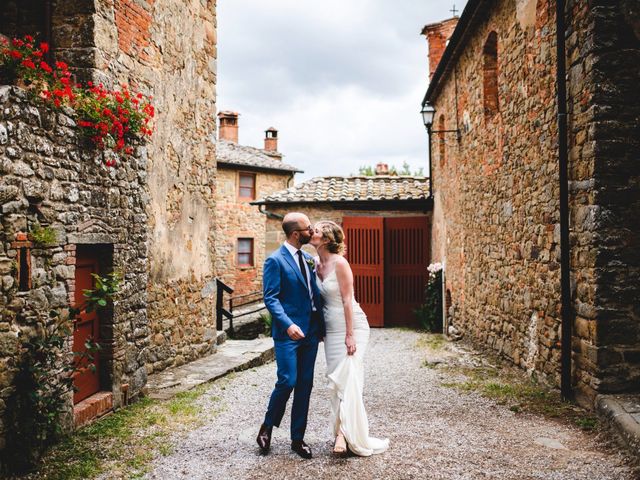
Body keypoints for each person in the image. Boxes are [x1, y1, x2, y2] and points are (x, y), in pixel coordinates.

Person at [310, 220, 389, 457]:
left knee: (351, 377)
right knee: (335, 381)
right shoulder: (314, 264)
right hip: (330, 329)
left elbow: (346, 299)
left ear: (326, 239)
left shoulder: (341, 264)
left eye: (316, 231)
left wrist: (350, 334)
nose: (311, 232)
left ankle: (344, 433)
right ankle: (339, 429)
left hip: (352, 326)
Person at [256, 212, 325, 459]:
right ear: (296, 234)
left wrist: (322, 329)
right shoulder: (274, 261)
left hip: (310, 334)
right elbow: (271, 298)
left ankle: (298, 439)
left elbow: (315, 296)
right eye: (309, 228)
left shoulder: (308, 259)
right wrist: (287, 324)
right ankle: (267, 426)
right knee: (287, 380)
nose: (312, 231)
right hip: (288, 334)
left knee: (305, 385)